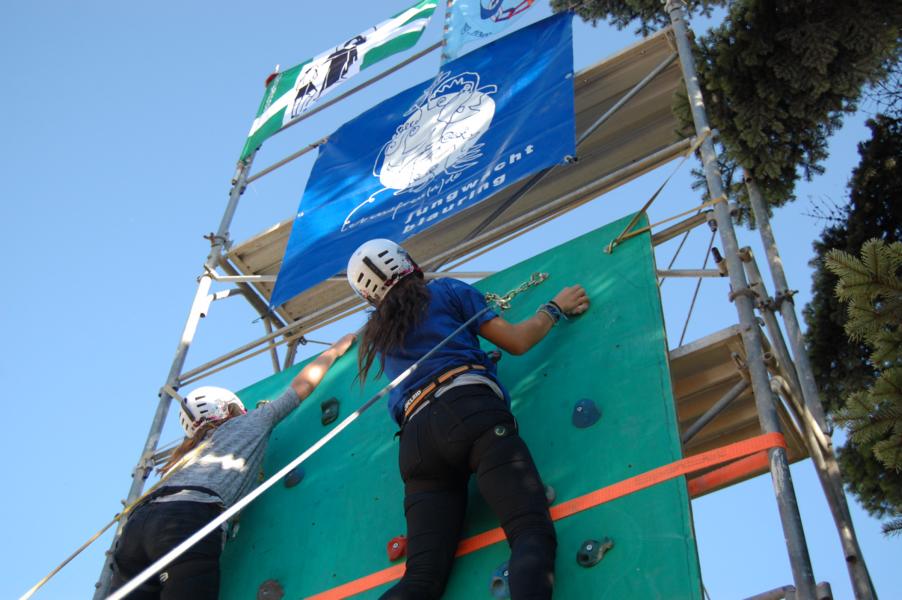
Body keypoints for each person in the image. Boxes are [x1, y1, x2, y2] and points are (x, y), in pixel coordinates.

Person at [347, 239, 589, 600]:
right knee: (529, 531)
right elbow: (517, 341)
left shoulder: (379, 339)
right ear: (409, 262)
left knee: (420, 580)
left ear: (369, 298)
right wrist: (554, 308)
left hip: (416, 444)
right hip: (470, 410)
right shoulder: (445, 290)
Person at [109, 332, 356, 599]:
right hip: (187, 517)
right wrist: (334, 351)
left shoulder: (182, 458)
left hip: (135, 530)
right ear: (228, 409)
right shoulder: (247, 424)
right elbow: (300, 388)